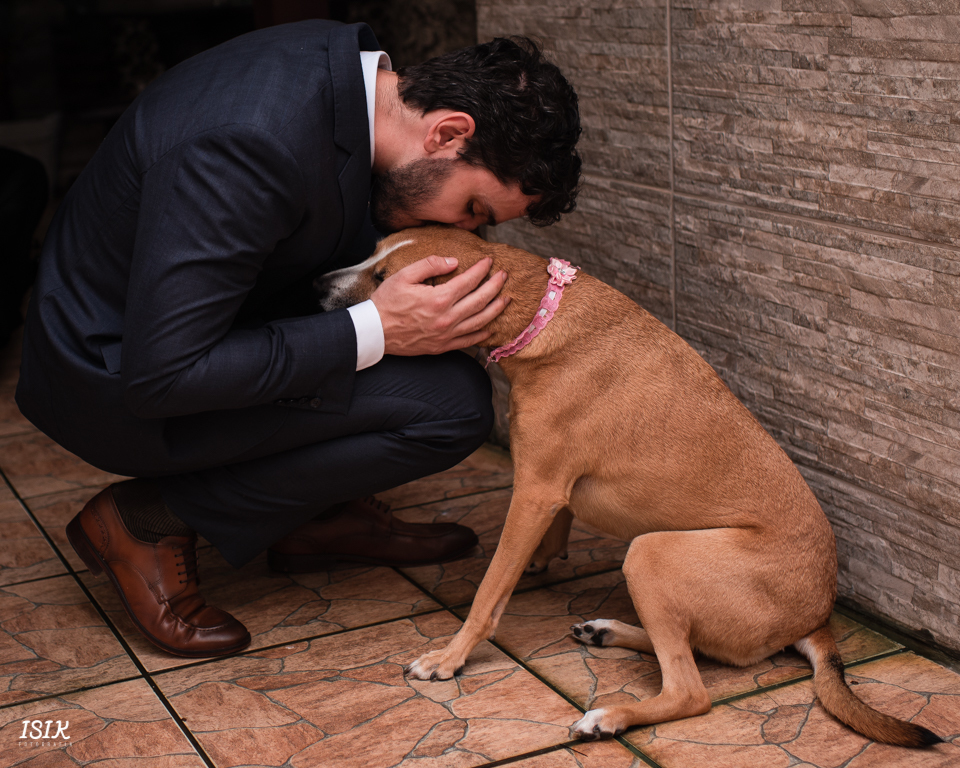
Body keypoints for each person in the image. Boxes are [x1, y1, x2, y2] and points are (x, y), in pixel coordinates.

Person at [16, 20, 581, 658]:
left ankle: (314, 519)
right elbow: (166, 372)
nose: (464, 229)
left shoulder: (349, 80)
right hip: (113, 376)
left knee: (448, 387)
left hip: (213, 325)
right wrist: (379, 327)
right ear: (448, 132)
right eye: (474, 209)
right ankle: (149, 520)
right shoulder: (248, 141)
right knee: (446, 411)